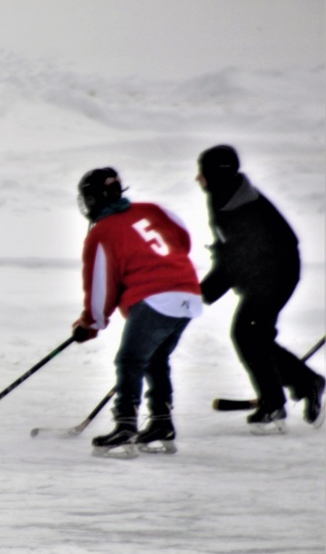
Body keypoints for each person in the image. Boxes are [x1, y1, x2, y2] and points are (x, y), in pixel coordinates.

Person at [71, 167, 203, 458]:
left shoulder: (101, 232)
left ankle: (125, 427)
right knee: (155, 358)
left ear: (93, 200)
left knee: (130, 359)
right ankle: (160, 423)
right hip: (189, 294)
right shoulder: (153, 210)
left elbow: (100, 289)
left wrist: (90, 324)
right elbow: (182, 239)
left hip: (155, 299)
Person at [196, 144, 325, 432]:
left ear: (214, 175)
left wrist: (204, 292)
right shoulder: (225, 197)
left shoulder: (241, 208)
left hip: (276, 275)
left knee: (248, 333)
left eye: (202, 172)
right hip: (263, 274)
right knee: (254, 335)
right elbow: (229, 252)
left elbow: (237, 258)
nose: (197, 179)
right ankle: (303, 384)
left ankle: (276, 402)